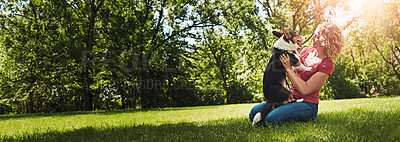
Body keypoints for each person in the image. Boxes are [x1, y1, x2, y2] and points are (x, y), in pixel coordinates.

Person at [249, 22, 345, 126]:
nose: (312, 37)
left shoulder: (327, 64)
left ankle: (289, 114)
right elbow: (291, 76)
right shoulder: (305, 51)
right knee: (254, 112)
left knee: (271, 119)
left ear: (325, 41)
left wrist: (288, 69)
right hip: (289, 98)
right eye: (314, 34)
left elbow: (305, 90)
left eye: (316, 36)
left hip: (307, 104)